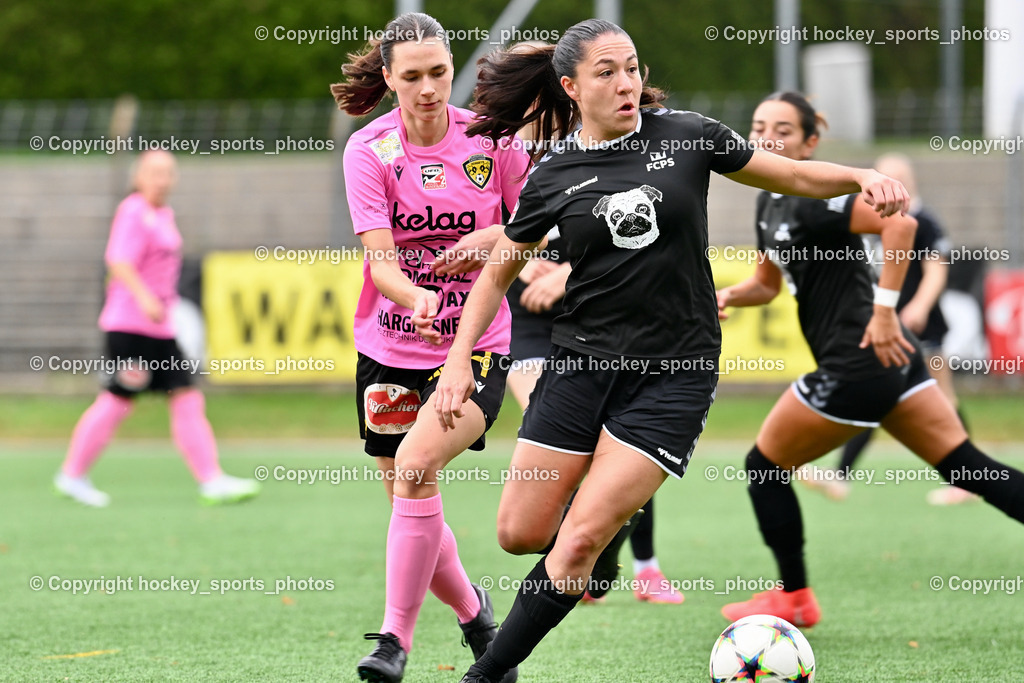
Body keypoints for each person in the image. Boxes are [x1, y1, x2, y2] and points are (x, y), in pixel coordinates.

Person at [430, 21, 912, 682]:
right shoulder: (554, 174)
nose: (626, 82)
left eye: (631, 67)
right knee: (519, 533)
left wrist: (860, 175)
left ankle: (487, 674)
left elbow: (795, 174)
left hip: (673, 375)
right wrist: (458, 359)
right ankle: (605, 525)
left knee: (573, 543)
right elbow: (498, 272)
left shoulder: (688, 134)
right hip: (578, 366)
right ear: (571, 87)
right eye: (606, 72)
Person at [716, 91, 1024, 628]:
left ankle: (795, 598)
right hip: (891, 361)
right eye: (759, 124)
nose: (767, 136)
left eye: (784, 130)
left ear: (811, 143)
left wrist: (884, 313)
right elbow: (767, 284)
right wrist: (724, 297)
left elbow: (900, 225)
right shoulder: (770, 198)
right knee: (969, 467)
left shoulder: (815, 196)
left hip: (858, 361)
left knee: (763, 468)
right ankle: (793, 595)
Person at [332, 12, 529, 683]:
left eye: (439, 73)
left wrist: (491, 237)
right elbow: (380, 261)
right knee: (412, 500)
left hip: (476, 343)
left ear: (454, 70)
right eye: (411, 76)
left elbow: (539, 228)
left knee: (415, 468)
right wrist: (411, 296)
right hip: (389, 345)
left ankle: (393, 639)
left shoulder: (493, 141)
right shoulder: (369, 150)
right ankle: (479, 620)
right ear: (388, 79)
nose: (427, 89)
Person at [54, 150, 261, 507]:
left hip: (161, 331)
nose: (162, 180)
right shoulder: (133, 211)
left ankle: (211, 479)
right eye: (155, 173)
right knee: (117, 400)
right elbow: (118, 261)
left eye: (168, 173)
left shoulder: (164, 214)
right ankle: (72, 474)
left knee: (188, 398)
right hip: (131, 327)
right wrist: (145, 298)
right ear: (139, 177)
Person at [508, 235, 683, 605]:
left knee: (620, 443)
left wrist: (571, 270)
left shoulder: (605, 176)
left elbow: (644, 237)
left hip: (598, 318)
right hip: (527, 323)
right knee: (555, 432)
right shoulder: (504, 174)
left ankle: (646, 569)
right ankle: (581, 553)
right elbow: (472, 228)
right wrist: (514, 259)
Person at [802, 153, 975, 505]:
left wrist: (920, 307)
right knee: (876, 394)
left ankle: (967, 479)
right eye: (886, 175)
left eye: (899, 176)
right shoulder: (872, 215)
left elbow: (936, 269)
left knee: (941, 396)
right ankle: (841, 474)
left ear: (910, 180)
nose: (893, 181)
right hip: (884, 324)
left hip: (918, 325)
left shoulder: (923, 220)